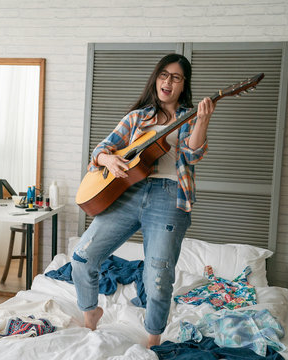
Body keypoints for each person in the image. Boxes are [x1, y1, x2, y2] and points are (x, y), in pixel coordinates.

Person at [71, 54, 215, 348]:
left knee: (159, 274)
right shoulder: (138, 117)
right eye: (164, 74)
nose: (168, 81)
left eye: (176, 77)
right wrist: (109, 159)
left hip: (169, 195)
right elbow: (100, 149)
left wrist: (203, 121)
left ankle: (152, 341)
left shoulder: (188, 118)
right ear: (156, 78)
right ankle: (90, 314)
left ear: (183, 84)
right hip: (127, 194)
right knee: (82, 257)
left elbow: (193, 154)